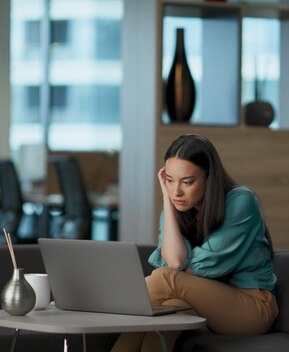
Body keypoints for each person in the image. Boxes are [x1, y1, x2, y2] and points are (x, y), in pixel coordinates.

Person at [112, 133, 278, 352]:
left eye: (187, 182)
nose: (176, 191)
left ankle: (107, 307)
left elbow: (187, 270)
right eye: (169, 180)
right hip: (206, 302)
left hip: (252, 306)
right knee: (167, 315)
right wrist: (166, 201)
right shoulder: (175, 207)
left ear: (209, 178)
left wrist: (177, 274)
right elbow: (175, 261)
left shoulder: (241, 202)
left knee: (166, 279)